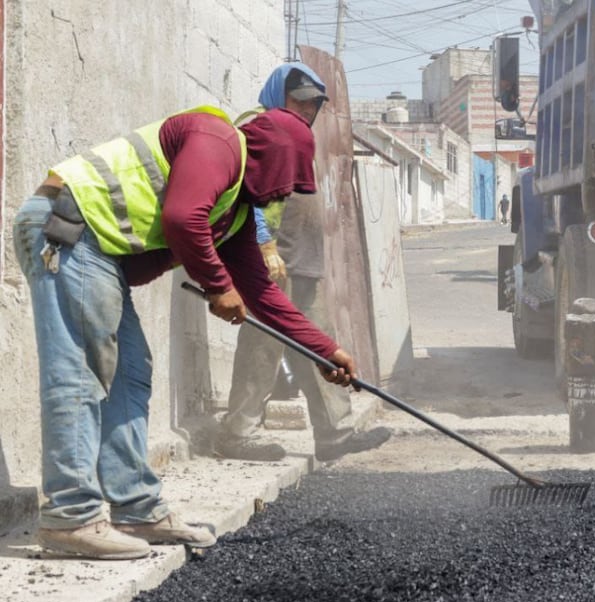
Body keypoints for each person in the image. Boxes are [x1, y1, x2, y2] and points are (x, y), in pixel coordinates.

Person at [12, 104, 359, 560]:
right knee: (79, 374)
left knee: (131, 372)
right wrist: (218, 286)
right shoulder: (217, 141)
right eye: (286, 181)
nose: (282, 195)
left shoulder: (231, 211)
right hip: (67, 229)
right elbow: (181, 217)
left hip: (96, 250)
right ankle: (70, 517)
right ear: (272, 157)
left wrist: (324, 351)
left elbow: (263, 294)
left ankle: (136, 508)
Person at [215, 63, 391, 463]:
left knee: (319, 347)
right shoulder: (260, 130)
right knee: (262, 347)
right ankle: (237, 433)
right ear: (279, 95)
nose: (306, 112)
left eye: (313, 106)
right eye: (299, 102)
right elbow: (247, 189)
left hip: (304, 261)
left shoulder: (295, 137)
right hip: (270, 264)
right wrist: (262, 244)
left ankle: (334, 433)